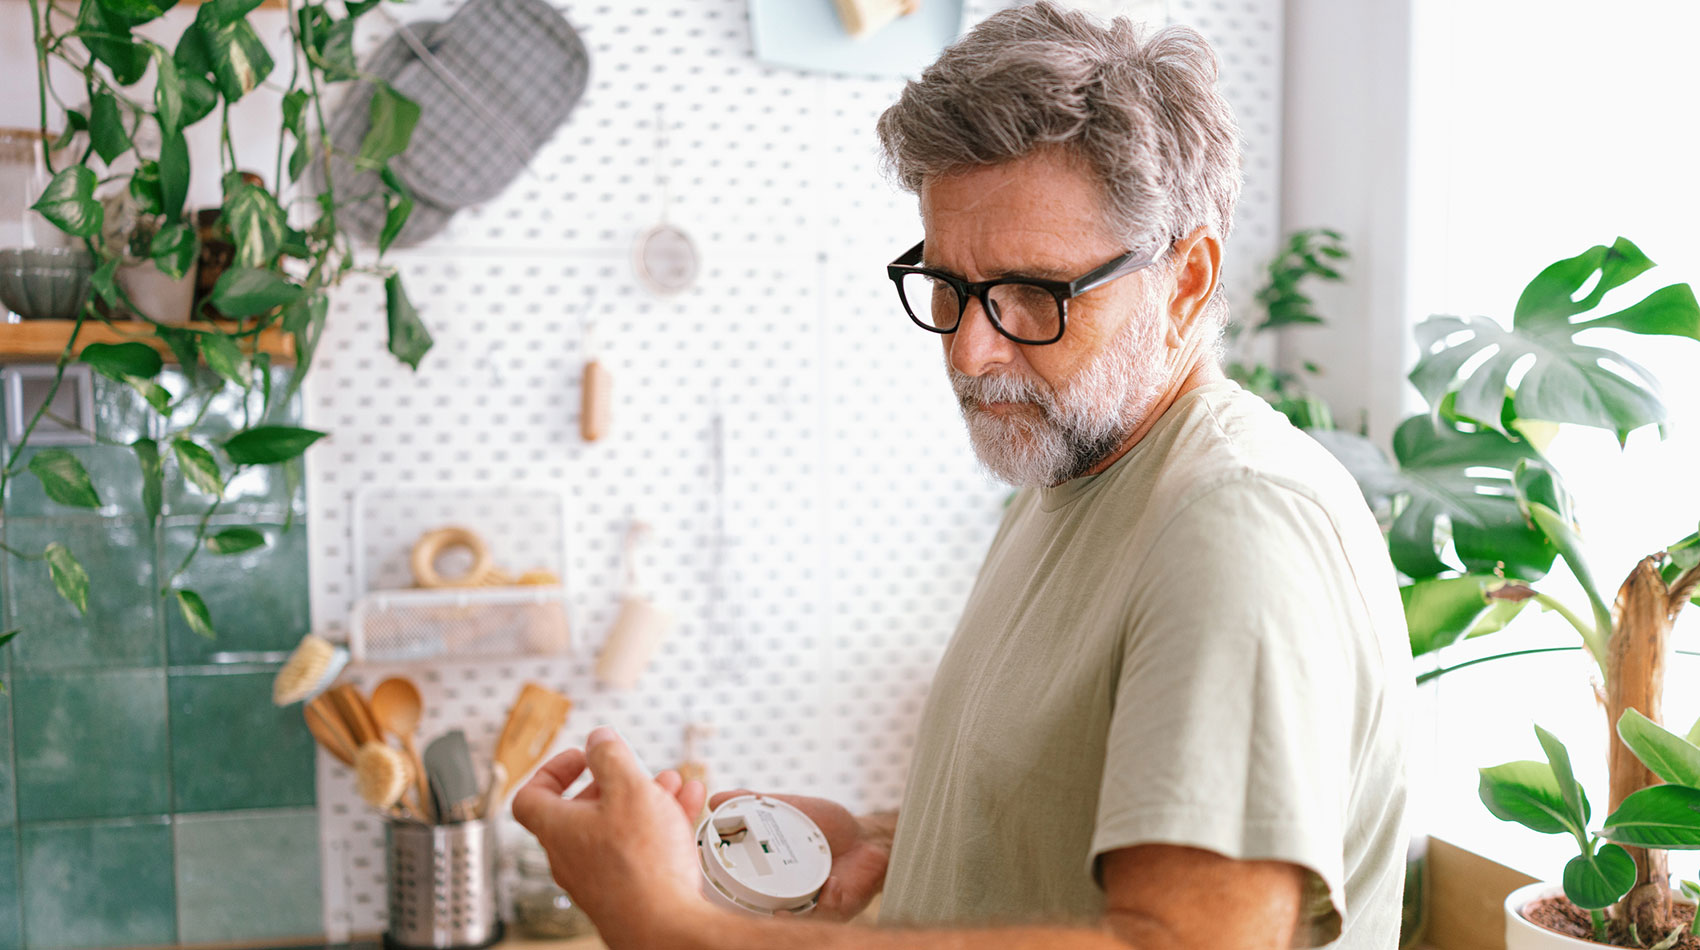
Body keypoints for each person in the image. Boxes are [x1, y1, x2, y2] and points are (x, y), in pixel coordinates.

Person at [513, 4, 1411, 948]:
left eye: (1032, 292)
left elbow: (1186, 940)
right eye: (950, 285)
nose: (972, 349)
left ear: (1186, 280)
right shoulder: (1072, 477)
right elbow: (1071, 825)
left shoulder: (1235, 522)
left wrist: (667, 925)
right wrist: (890, 843)